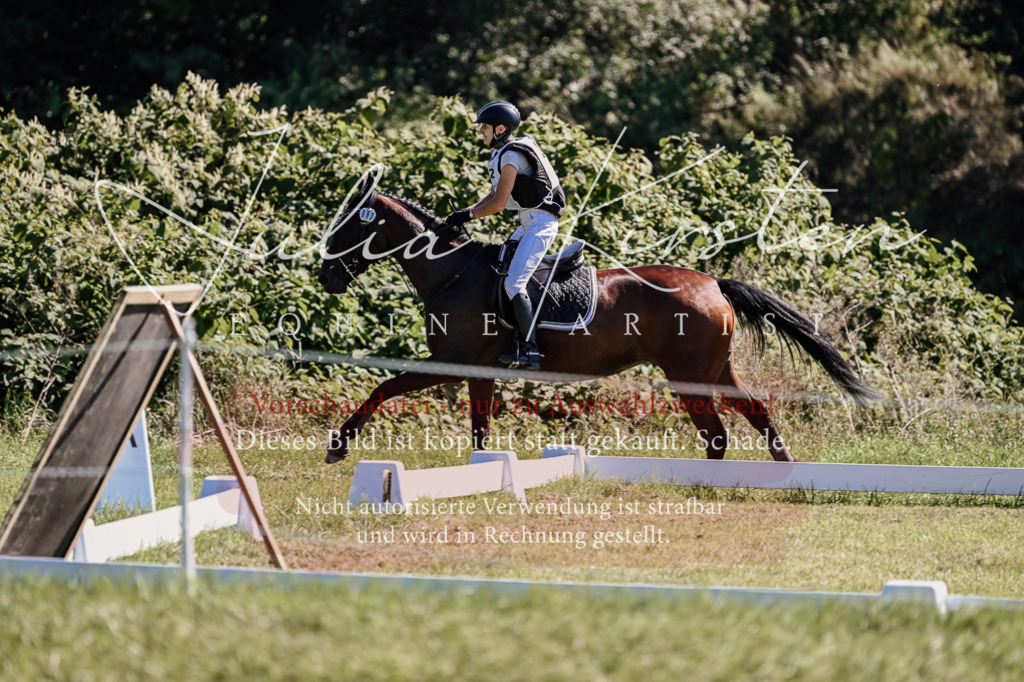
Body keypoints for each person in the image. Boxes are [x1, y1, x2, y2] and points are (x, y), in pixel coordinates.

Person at [444, 100, 566, 370]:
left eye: (484, 127)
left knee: (513, 284)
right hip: (528, 223)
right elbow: (493, 195)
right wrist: (464, 212)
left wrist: (467, 216)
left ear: (500, 128)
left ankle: (531, 351)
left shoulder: (511, 156)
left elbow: (499, 204)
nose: (481, 132)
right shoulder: (506, 152)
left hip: (539, 225)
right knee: (496, 269)